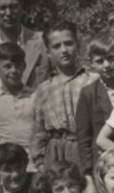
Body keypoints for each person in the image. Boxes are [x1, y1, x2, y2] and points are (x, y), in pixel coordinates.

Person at [31, 21, 96, 172]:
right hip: (55, 153)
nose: (64, 50)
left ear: (77, 45)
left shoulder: (92, 80)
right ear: (48, 52)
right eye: (57, 46)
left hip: (85, 150)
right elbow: (38, 130)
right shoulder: (44, 89)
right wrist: (40, 162)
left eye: (68, 43)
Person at [75, 31, 114, 186]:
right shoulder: (88, 93)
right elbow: (84, 139)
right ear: (91, 63)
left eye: (111, 58)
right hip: (103, 165)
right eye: (100, 61)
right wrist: (89, 178)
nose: (107, 65)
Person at [0, 42, 37, 179]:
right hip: (6, 169)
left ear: (24, 66)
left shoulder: (36, 97)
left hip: (34, 166)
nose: (14, 70)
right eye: (7, 66)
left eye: (18, 65)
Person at [0, 0, 50, 89]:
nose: (8, 13)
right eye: (2, 8)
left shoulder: (43, 41)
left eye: (13, 6)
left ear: (22, 8)